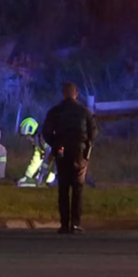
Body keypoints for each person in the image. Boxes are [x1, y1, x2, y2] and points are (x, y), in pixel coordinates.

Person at [43, 82, 98, 234]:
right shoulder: (85, 112)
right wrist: (87, 145)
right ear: (76, 93)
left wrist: (55, 144)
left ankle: (64, 224)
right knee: (78, 188)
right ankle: (75, 223)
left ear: (63, 94)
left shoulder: (55, 111)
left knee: (63, 187)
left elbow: (46, 132)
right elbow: (94, 132)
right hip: (79, 152)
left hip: (61, 150)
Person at [16, 117, 55, 187]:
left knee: (50, 178)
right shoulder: (37, 141)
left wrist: (43, 173)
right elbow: (36, 158)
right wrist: (28, 176)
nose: (27, 138)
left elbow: (49, 154)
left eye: (27, 136)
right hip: (53, 163)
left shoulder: (43, 138)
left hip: (58, 163)